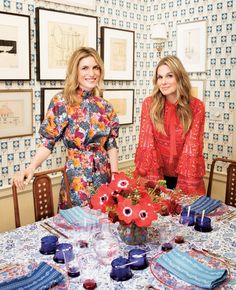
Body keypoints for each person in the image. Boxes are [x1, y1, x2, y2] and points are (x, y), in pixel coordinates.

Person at [13, 47, 120, 207]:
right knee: (75, 226)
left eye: (95, 67)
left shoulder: (106, 107)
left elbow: (111, 144)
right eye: (85, 68)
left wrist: (116, 176)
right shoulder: (62, 102)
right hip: (77, 180)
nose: (92, 73)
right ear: (75, 71)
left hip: (104, 177)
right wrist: (31, 168)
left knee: (103, 227)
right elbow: (48, 142)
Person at [134, 55, 205, 195]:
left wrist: (184, 187)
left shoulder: (196, 107)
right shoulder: (149, 104)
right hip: (155, 174)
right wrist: (153, 182)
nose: (163, 82)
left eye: (169, 76)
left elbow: (192, 147)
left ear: (179, 77)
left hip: (186, 175)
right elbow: (147, 144)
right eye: (160, 77)